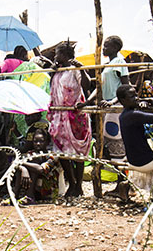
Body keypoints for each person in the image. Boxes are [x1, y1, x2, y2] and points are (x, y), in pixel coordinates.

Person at [81, 35, 130, 197]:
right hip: (107, 107)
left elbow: (125, 86)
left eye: (107, 46)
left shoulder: (120, 63)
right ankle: (119, 184)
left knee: (118, 147)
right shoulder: (108, 65)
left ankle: (122, 186)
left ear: (116, 47)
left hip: (115, 107)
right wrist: (87, 101)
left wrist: (113, 101)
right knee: (109, 146)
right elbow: (99, 86)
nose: (104, 49)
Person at [47, 42, 92, 197]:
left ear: (64, 55)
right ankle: (71, 183)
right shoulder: (57, 71)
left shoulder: (74, 69)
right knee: (61, 151)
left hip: (75, 117)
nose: (55, 57)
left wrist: (82, 70)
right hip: (59, 118)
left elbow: (87, 84)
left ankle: (78, 185)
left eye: (57, 54)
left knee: (78, 153)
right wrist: (53, 71)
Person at [117, 85, 153, 172]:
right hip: (147, 162)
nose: (136, 98)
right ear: (123, 100)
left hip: (133, 162)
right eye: (132, 97)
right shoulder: (133, 115)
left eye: (136, 95)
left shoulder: (123, 115)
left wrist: (143, 103)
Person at [8, 128, 60, 205]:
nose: (38, 144)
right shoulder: (30, 154)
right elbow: (14, 163)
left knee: (33, 168)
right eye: (35, 141)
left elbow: (41, 169)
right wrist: (23, 169)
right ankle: (15, 196)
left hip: (46, 190)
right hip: (33, 187)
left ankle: (30, 197)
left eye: (41, 141)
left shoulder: (52, 156)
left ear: (47, 142)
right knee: (21, 168)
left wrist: (23, 164)